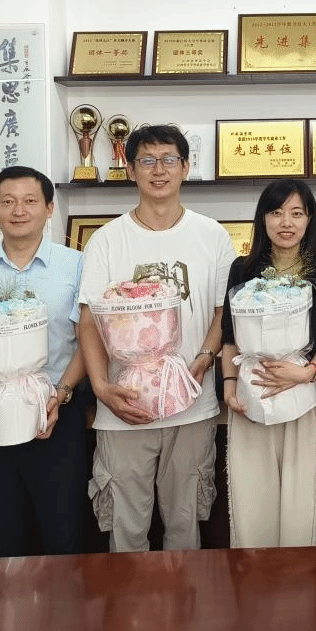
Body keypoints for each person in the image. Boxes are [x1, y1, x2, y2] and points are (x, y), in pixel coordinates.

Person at [76, 124, 236, 552]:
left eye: (169, 160)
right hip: (123, 407)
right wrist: (101, 387)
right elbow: (88, 319)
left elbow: (223, 312)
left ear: (186, 167)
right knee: (126, 530)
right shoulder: (107, 240)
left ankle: (185, 600)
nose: (159, 170)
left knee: (185, 529)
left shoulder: (212, 236)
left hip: (192, 404)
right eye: (147, 161)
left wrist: (204, 357)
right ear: (130, 169)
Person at [0, 166, 87, 557]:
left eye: (29, 201)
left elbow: (88, 342)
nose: (18, 210)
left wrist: (61, 393)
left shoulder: (76, 266)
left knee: (62, 533)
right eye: (7, 202)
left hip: (57, 415)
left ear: (49, 208)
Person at [220, 178, 316, 547]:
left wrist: (306, 373)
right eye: (276, 213)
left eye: (296, 213)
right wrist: (229, 386)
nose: (286, 222)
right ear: (263, 219)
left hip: (306, 400)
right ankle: (254, 580)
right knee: (252, 506)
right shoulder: (243, 270)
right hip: (250, 397)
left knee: (302, 508)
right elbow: (229, 335)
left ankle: (301, 582)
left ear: (309, 219)